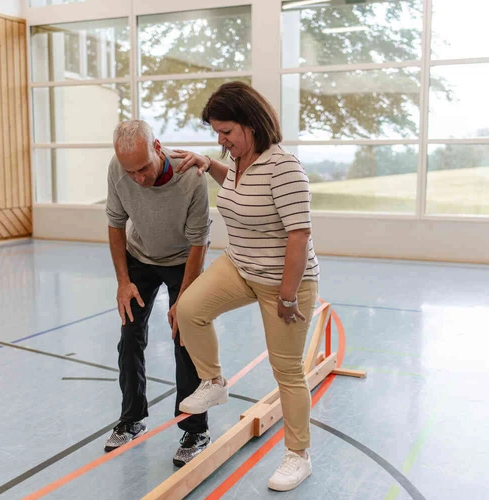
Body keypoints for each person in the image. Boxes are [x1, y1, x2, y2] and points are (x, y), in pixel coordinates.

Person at [172, 81, 320, 492]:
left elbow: (299, 235)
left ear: (251, 123)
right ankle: (214, 382)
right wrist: (209, 163)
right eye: (216, 133)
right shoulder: (239, 161)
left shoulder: (284, 168)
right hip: (240, 266)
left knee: (287, 370)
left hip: (284, 282)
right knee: (189, 309)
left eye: (226, 131)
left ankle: (298, 456)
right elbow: (241, 191)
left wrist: (287, 296)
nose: (221, 140)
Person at [103, 120, 212, 468]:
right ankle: (131, 418)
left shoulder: (191, 177)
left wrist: (184, 299)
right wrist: (123, 282)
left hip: (183, 261)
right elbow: (115, 224)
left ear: (158, 147)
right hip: (140, 258)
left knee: (184, 338)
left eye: (143, 168)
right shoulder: (118, 169)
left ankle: (195, 430)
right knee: (129, 336)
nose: (138, 178)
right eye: (130, 171)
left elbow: (199, 243)